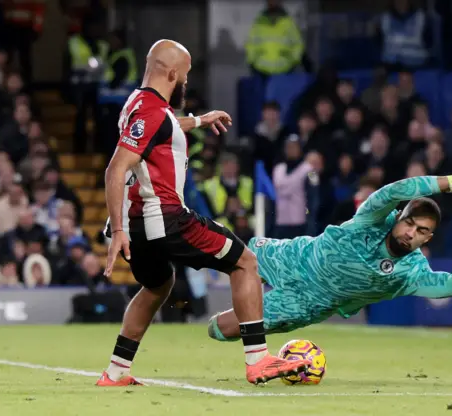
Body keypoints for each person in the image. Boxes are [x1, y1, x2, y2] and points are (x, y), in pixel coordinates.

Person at [98, 39, 311, 387]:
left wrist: (199, 120)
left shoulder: (138, 103)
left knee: (157, 285)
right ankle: (258, 361)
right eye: (186, 74)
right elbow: (116, 168)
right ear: (171, 73)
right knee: (245, 262)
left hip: (141, 224)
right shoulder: (152, 112)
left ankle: (117, 371)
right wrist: (117, 231)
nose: (187, 81)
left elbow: (162, 127)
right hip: (165, 218)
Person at [208, 158, 452, 339]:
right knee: (221, 249)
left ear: (427, 240)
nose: (412, 232)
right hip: (295, 255)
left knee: (219, 330)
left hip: (306, 303)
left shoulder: (409, 273)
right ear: (400, 216)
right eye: (410, 222)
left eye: (422, 231)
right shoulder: (371, 219)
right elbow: (395, 190)